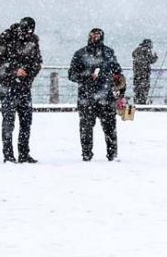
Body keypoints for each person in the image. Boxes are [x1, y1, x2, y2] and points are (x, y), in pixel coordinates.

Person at [0, 17, 42, 163]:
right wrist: (14, 70)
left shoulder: (33, 41)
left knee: (26, 122)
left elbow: (38, 62)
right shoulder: (6, 37)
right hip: (8, 86)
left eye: (30, 32)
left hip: (25, 87)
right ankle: (8, 155)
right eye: (25, 32)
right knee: (9, 121)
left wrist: (29, 76)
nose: (27, 35)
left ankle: (24, 153)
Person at [68, 28, 123, 161]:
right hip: (86, 97)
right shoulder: (80, 54)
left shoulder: (109, 53)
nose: (94, 38)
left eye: (97, 36)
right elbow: (71, 75)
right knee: (86, 128)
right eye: (92, 36)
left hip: (107, 96)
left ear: (102, 37)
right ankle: (86, 155)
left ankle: (112, 155)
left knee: (110, 127)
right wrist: (87, 75)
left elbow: (117, 73)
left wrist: (121, 91)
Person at [132, 39, 159, 104]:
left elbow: (133, 56)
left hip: (137, 74)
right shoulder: (147, 51)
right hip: (144, 74)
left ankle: (136, 101)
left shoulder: (136, 50)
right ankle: (142, 102)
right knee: (144, 89)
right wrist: (155, 57)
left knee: (137, 88)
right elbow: (151, 60)